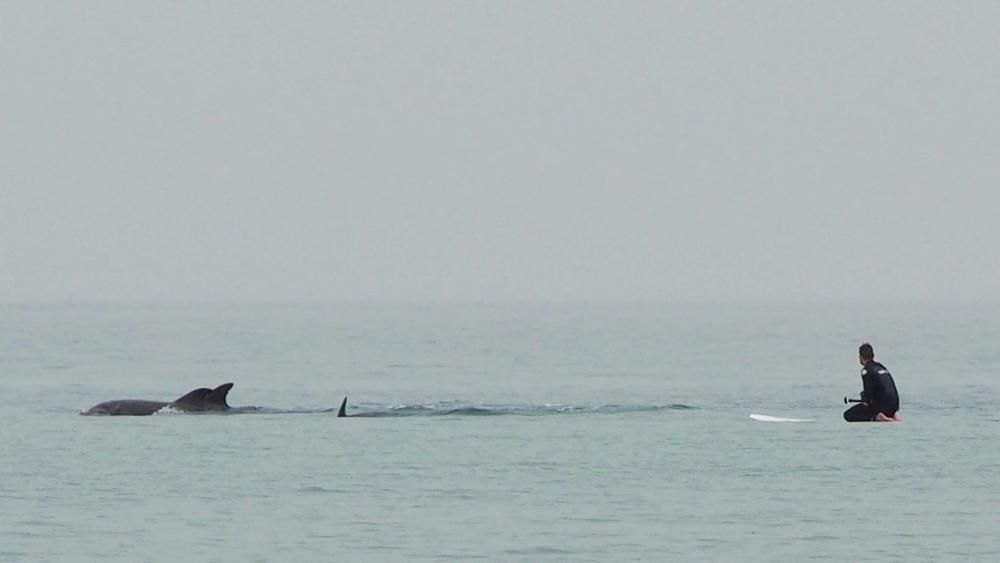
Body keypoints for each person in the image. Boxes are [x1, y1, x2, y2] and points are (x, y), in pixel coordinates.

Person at [843, 343, 902, 422]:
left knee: (848, 415)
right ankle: (894, 415)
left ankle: (878, 417)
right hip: (894, 405)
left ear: (860, 357)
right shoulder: (881, 367)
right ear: (873, 355)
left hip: (882, 407)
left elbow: (868, 398)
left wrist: (864, 398)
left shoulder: (866, 371)